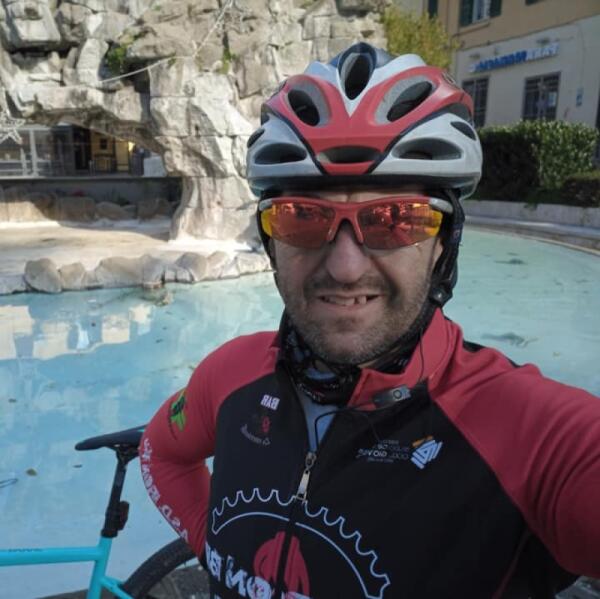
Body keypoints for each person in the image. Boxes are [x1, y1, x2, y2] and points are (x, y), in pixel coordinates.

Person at [140, 43, 600, 598]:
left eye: (395, 219)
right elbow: (161, 452)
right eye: (302, 218)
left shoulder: (530, 433)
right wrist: (217, 552)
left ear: (443, 244)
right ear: (270, 240)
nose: (345, 267)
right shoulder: (231, 373)